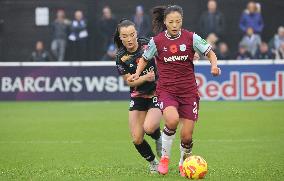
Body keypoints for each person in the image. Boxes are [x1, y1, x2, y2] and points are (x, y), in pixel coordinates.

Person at [128, 5, 221, 176]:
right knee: (171, 120)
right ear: (165, 22)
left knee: (187, 136)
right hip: (166, 91)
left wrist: (214, 66)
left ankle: (183, 163)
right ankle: (164, 158)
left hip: (189, 92)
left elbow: (210, 53)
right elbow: (144, 58)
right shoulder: (156, 41)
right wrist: (136, 74)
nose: (175, 24)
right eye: (171, 21)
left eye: (178, 21)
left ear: (181, 21)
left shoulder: (191, 38)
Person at [114, 19, 162, 173]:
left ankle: (158, 137)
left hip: (157, 91)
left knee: (149, 127)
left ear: (137, 33)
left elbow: (166, 53)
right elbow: (128, 82)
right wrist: (145, 78)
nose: (129, 39)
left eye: (132, 34)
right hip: (138, 95)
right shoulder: (120, 57)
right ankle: (153, 162)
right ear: (120, 37)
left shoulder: (148, 43)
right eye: (125, 36)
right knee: (136, 139)